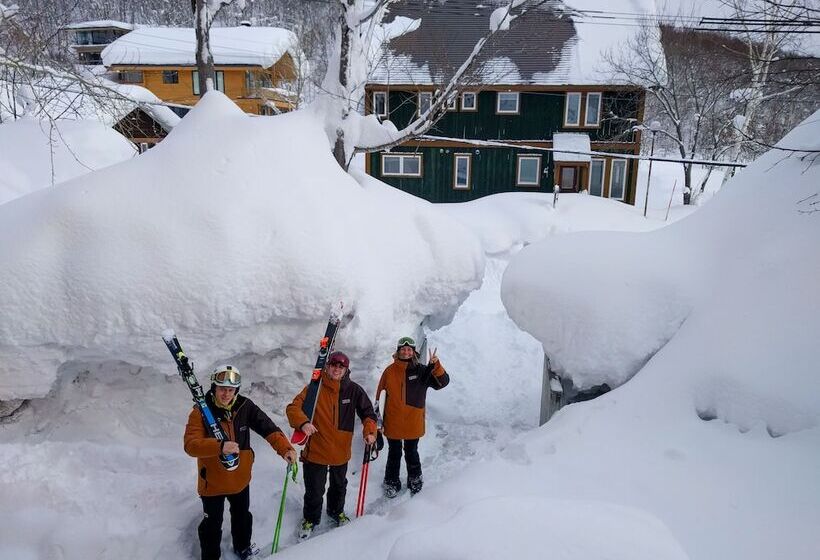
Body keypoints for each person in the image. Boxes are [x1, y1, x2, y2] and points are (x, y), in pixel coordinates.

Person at [184, 364, 298, 560]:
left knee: (242, 517)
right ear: (214, 387)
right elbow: (191, 445)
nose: (226, 394)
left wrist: (285, 448)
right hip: (212, 481)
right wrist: (219, 446)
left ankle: (243, 548)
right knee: (212, 525)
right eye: (222, 389)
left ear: (236, 390)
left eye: (230, 390)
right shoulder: (200, 411)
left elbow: (268, 428)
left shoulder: (245, 407)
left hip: (240, 477)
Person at [286, 350, 377, 539]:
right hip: (316, 449)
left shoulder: (353, 390)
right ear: (327, 367)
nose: (336, 369)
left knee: (339, 486)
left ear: (346, 370)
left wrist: (369, 432)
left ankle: (336, 512)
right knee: (314, 489)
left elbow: (368, 413)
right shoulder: (314, 388)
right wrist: (303, 423)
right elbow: (293, 408)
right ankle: (310, 519)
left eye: (340, 366)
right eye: (333, 365)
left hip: (340, 451)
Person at [376, 336, 449, 497]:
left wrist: (435, 365)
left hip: (413, 421)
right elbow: (379, 396)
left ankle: (415, 479)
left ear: (414, 352)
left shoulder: (423, 370)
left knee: (411, 452)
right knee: (394, 453)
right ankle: (391, 481)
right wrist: (378, 422)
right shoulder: (389, 371)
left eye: (409, 349)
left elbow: (442, 383)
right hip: (392, 421)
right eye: (403, 349)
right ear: (398, 351)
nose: (406, 352)